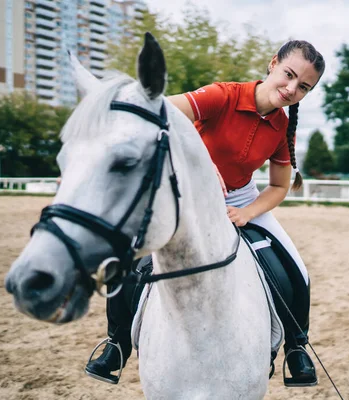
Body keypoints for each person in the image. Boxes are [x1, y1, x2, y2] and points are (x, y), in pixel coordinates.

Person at [85, 39, 325, 387]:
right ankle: (116, 343)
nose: (291, 89)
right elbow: (160, 109)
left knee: (296, 267)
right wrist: (198, 159)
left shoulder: (283, 127)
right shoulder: (223, 95)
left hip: (242, 200)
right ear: (273, 64)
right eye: (288, 75)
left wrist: (247, 213)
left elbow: (277, 187)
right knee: (133, 255)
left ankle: (296, 346)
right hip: (188, 194)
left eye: (303, 87)